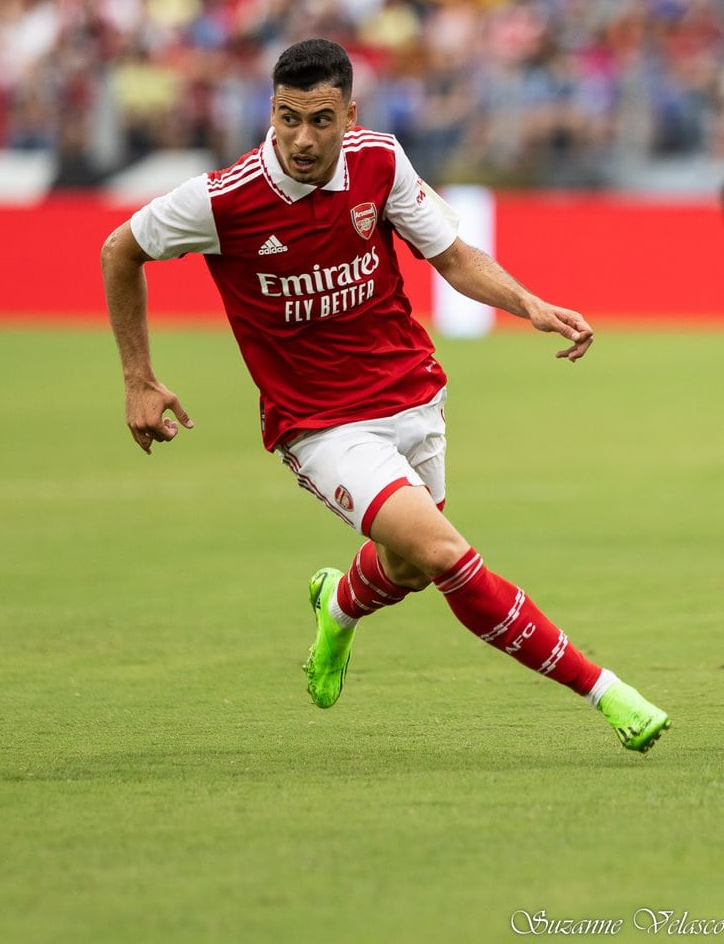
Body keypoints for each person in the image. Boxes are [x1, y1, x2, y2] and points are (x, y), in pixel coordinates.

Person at [100, 38, 669, 754]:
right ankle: (607, 691)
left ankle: (337, 606)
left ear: (349, 114)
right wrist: (137, 377)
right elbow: (119, 249)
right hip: (320, 425)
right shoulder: (222, 199)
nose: (302, 138)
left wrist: (529, 304)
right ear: (270, 113)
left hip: (411, 394)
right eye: (287, 118)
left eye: (320, 119)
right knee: (445, 555)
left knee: (405, 566)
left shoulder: (381, 160)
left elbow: (454, 258)